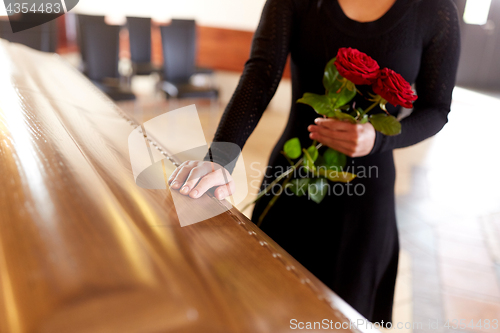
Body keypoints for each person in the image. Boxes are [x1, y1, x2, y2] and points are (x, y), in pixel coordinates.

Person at [167, 0, 460, 324]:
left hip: (365, 201)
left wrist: (380, 137)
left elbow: (436, 108)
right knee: (260, 308)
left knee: (343, 319)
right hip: (289, 183)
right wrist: (219, 158)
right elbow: (261, 74)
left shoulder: (436, 11)